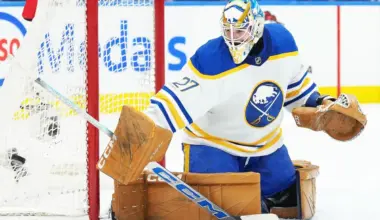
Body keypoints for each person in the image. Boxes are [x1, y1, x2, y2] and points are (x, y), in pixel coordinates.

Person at [140, 0, 366, 213]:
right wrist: (139, 132)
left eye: (239, 31)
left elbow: (295, 87)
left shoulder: (282, 43)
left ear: (257, 26)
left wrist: (319, 102)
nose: (232, 39)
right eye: (227, 31)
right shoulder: (210, 60)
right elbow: (174, 100)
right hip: (213, 145)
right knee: (224, 205)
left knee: (291, 199)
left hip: (265, 146)